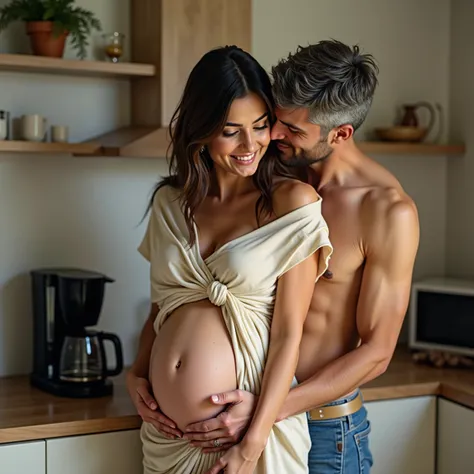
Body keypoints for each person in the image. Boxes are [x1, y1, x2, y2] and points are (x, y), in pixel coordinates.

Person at [184, 40, 420, 474]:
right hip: (239, 422)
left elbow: (377, 352)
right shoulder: (271, 172)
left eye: (293, 130)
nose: (274, 135)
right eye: (276, 119)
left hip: (322, 433)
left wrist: (264, 414)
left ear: (341, 133)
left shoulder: (386, 211)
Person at [127, 45, 333, 474]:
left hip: (245, 439)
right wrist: (136, 375)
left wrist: (251, 443)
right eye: (230, 130)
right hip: (167, 441)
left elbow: (288, 337)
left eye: (260, 127)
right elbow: (159, 310)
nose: (249, 145)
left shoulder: (290, 204)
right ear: (200, 130)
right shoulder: (170, 202)